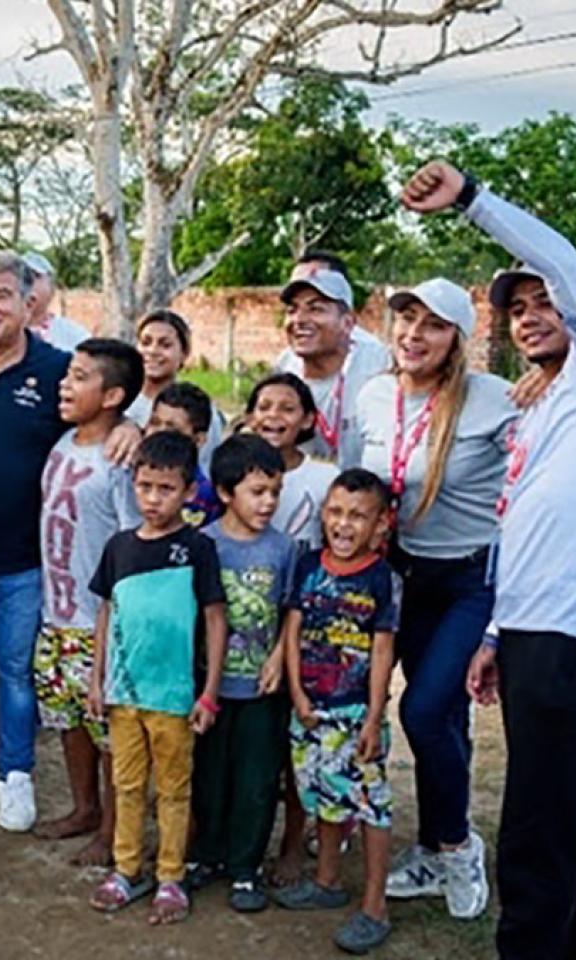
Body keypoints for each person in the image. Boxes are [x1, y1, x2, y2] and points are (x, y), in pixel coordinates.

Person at [407, 163, 576, 960]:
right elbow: (525, 524)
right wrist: (495, 636)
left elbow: (570, 268)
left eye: (544, 301)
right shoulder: (546, 403)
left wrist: (474, 200)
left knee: (534, 833)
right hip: (534, 629)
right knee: (562, 811)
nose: (530, 316)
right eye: (517, 308)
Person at [0, 250, 140, 832]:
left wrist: (133, 426)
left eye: (0, 297)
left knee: (18, 672)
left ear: (26, 303)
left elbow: (103, 407)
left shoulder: (56, 369)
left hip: (25, 563)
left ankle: (15, 775)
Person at [354, 277, 514, 920]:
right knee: (442, 717)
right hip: (403, 576)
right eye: (406, 321)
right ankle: (428, 847)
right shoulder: (373, 395)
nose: (414, 335)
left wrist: (501, 624)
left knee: (422, 713)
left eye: (433, 325)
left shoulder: (495, 399)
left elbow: (533, 482)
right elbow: (360, 485)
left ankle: (457, 845)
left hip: (470, 580)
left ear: (458, 339)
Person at [85, 431, 227, 925]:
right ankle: (126, 869)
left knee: (173, 789)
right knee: (125, 786)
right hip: (123, 695)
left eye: (165, 488)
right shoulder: (119, 547)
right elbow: (106, 613)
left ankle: (170, 875)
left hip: (174, 697)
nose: (153, 499)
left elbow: (214, 618)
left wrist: (208, 693)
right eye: (145, 487)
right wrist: (96, 679)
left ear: (189, 491)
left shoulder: (197, 549)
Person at [270, 468, 400, 955]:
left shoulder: (383, 579)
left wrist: (372, 716)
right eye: (336, 513)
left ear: (381, 525)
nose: (344, 525)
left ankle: (374, 906)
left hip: (354, 714)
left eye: (358, 516)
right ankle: (326, 882)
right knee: (322, 795)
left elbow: (383, 651)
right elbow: (293, 630)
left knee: (370, 805)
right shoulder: (307, 565)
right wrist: (298, 695)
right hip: (309, 711)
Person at [31, 338, 143, 866]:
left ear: (113, 395)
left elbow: (133, 537)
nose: (65, 385)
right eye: (67, 374)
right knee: (67, 721)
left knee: (108, 734)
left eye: (79, 377)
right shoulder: (62, 444)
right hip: (54, 616)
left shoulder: (121, 459)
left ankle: (114, 831)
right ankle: (84, 809)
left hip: (97, 622)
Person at [188, 435, 297, 912]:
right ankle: (206, 855)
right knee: (209, 775)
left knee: (256, 780)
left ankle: (246, 867)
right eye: (257, 491)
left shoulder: (285, 548)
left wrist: (277, 658)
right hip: (210, 689)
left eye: (274, 491)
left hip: (262, 690)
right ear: (227, 493)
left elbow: (291, 611)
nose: (268, 502)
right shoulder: (202, 545)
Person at [273, 264, 391, 469]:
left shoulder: (379, 368)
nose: (299, 320)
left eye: (315, 309)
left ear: (347, 323)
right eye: (292, 310)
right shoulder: (284, 368)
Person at [244, 372, 338, 548]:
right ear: (249, 418)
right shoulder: (233, 471)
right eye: (264, 407)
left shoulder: (326, 478)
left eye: (287, 409)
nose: (273, 414)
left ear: (308, 420)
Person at [128, 309, 224, 470]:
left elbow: (207, 466)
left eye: (165, 345)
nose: (152, 351)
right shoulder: (121, 402)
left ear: (184, 353)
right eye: (145, 342)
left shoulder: (199, 410)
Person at [142, 382, 223, 528]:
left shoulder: (205, 495)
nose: (160, 433)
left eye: (172, 428)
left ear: (199, 440)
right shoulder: (127, 471)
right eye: (155, 423)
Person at [20, 252, 91, 350]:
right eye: (21, 277)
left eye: (35, 276)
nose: (26, 284)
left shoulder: (75, 336)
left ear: (52, 288)